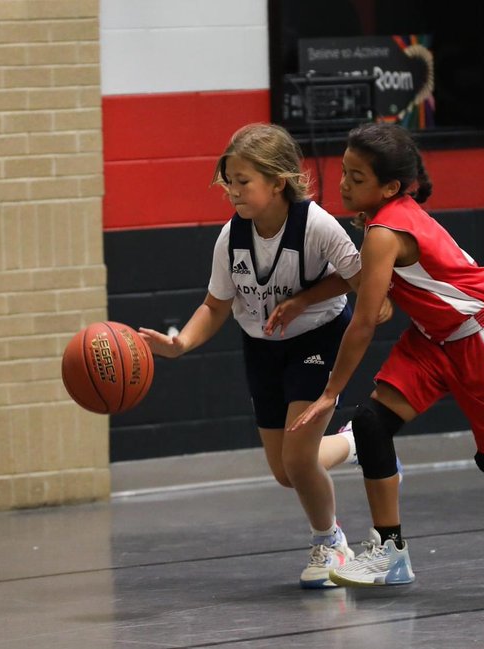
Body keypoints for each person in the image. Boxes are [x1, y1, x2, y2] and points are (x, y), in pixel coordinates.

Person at [290, 122, 484, 588]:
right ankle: (390, 549)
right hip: (434, 337)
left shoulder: (385, 229)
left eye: (357, 178)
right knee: (372, 423)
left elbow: (363, 322)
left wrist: (330, 392)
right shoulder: (385, 218)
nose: (343, 184)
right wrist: (309, 300)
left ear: (390, 187)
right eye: (345, 172)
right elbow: (369, 283)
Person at [137, 123, 388, 589]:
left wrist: (304, 300)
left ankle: (329, 540)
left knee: (298, 458)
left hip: (317, 339)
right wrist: (179, 345)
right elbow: (215, 306)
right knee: (285, 472)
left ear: (279, 181)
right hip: (262, 347)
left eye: (243, 180)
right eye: (228, 180)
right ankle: (356, 442)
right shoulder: (230, 238)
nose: (233, 190)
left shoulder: (316, 226)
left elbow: (363, 283)